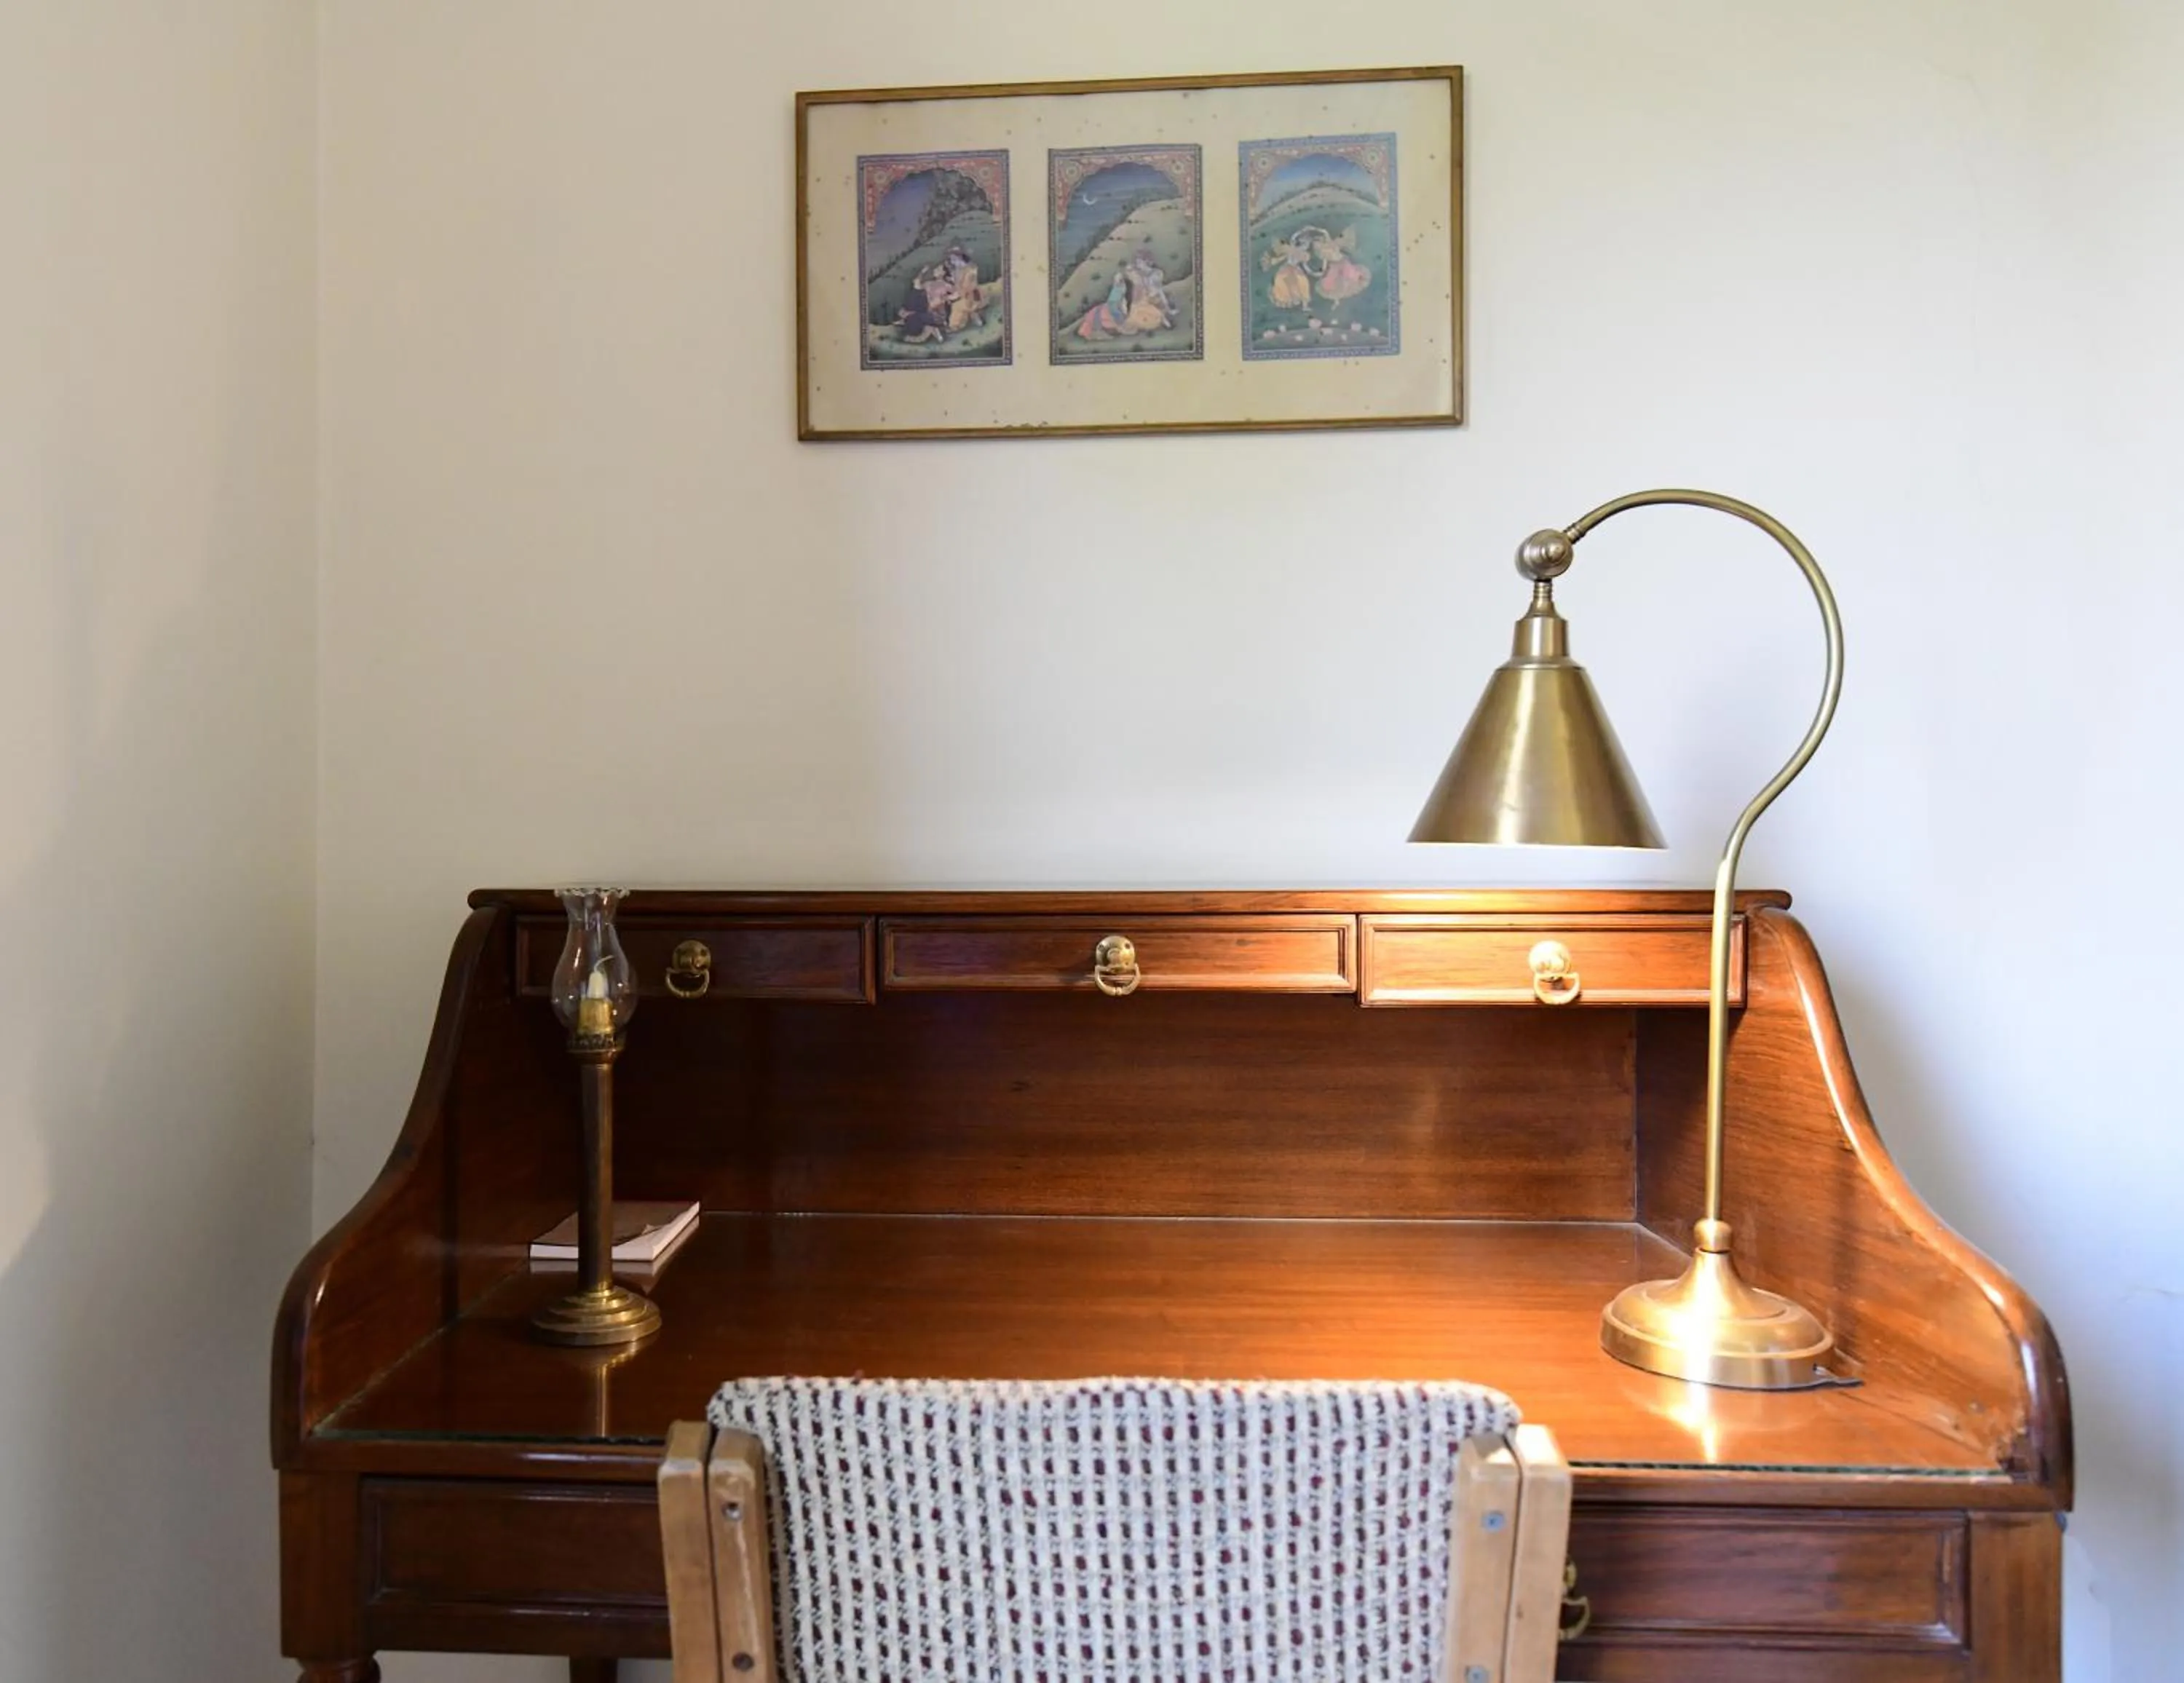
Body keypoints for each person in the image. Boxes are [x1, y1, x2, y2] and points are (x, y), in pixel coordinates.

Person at [1312, 227, 1371, 317]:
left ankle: (1339, 300)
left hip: (1342, 262)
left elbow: (1329, 237)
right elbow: (1325, 262)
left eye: (1321, 241)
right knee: (1332, 283)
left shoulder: (1333, 245)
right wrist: (1323, 270)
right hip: (1335, 266)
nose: (1320, 244)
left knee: (1348, 276)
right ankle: (1337, 301)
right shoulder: (1324, 252)